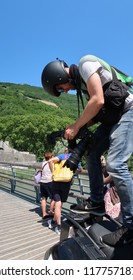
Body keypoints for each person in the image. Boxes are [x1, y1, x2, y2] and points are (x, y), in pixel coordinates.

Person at [41, 54, 133, 246]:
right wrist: (73, 129)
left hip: (128, 111)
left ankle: (131, 224)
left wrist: (76, 126)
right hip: (113, 117)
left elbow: (98, 101)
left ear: (58, 76)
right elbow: (96, 114)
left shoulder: (86, 63)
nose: (64, 91)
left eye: (60, 88)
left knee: (115, 164)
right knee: (92, 154)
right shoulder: (83, 87)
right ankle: (97, 203)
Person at [47, 148, 74, 235]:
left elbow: (50, 161)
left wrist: (53, 173)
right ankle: (58, 225)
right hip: (66, 183)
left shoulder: (63, 156)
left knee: (58, 204)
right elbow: (80, 170)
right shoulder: (76, 158)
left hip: (56, 182)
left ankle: (54, 222)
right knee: (60, 205)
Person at [101, 155, 121, 221]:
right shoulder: (113, 171)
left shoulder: (116, 172)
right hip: (112, 198)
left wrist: (101, 165)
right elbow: (106, 174)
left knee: (112, 219)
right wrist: (103, 166)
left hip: (116, 200)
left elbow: (103, 181)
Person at [40, 152, 55, 219]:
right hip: (50, 182)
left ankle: (44, 213)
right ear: (50, 157)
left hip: (42, 182)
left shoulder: (43, 163)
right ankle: (51, 212)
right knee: (53, 198)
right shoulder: (52, 163)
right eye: (53, 156)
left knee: (44, 198)